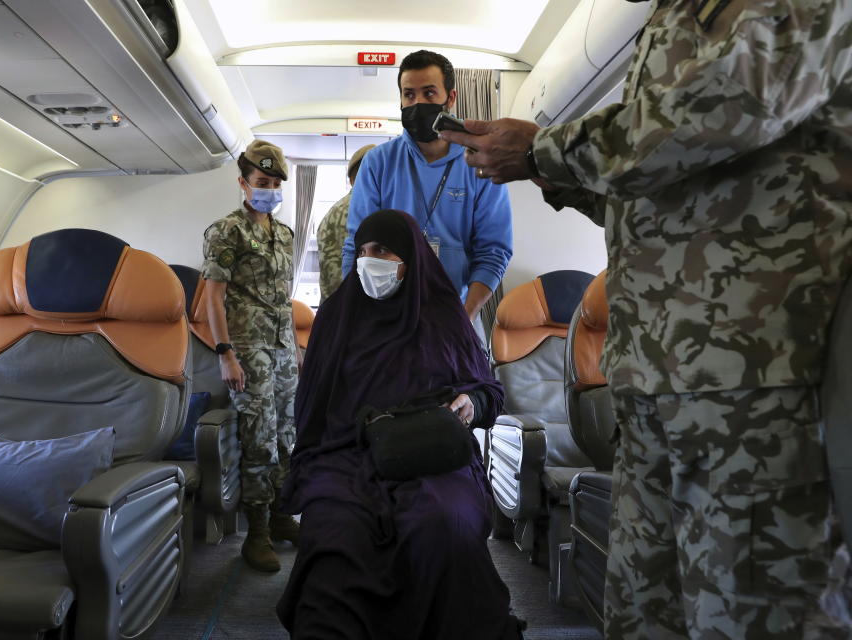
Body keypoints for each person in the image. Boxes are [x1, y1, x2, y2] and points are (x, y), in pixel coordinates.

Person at [440, 2, 852, 638]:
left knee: (750, 612)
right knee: (638, 612)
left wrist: (548, 148)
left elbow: (735, 102)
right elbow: (662, 191)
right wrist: (548, 171)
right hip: (652, 381)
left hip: (754, 378)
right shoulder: (668, 17)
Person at [277, 209, 524, 639]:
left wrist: (472, 402)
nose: (369, 261)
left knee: (446, 525)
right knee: (336, 536)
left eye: (383, 251)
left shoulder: (444, 317)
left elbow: (490, 392)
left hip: (430, 453)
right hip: (346, 455)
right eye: (363, 251)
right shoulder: (337, 316)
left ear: (410, 258)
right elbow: (312, 406)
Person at [343, 50, 513, 323]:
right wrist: (359, 317)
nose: (418, 102)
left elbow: (493, 251)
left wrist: (464, 318)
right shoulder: (378, 162)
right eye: (409, 94)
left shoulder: (478, 161)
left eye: (429, 93)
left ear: (451, 98)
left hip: (456, 311)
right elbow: (356, 245)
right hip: (387, 316)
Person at [201, 139, 300, 573]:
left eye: (276, 182)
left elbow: (283, 299)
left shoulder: (284, 233)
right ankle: (256, 534)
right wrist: (226, 353)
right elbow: (213, 296)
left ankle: (281, 518)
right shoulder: (227, 231)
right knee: (259, 440)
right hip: (247, 350)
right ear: (243, 182)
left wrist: (295, 348)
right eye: (262, 181)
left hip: (282, 351)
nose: (270, 189)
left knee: (286, 439)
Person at [317, 143, 375, 303]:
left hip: (331, 309)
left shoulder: (334, 210)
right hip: (352, 310)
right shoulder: (366, 212)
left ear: (351, 180)